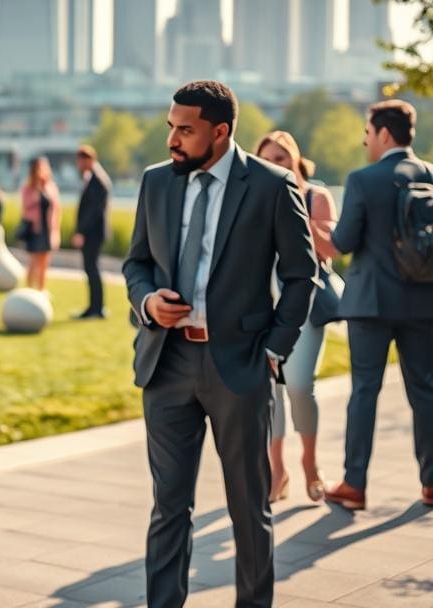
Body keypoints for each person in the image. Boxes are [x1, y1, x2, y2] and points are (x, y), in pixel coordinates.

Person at [123, 80, 316, 608]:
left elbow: (303, 276)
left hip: (240, 363)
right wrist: (148, 303)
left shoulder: (273, 187)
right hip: (166, 363)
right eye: (171, 127)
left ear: (220, 131)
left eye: (185, 130)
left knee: (248, 506)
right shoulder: (156, 182)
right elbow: (136, 262)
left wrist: (274, 349)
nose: (173, 140)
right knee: (169, 506)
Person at [320, 99, 433, 511]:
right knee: (425, 391)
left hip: (371, 303)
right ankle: (432, 483)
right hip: (423, 302)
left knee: (365, 390)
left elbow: (344, 242)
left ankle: (354, 485)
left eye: (367, 133)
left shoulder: (364, 179)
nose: (365, 141)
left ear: (383, 133)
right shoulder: (431, 176)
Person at [255, 131, 337, 504]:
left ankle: (309, 461)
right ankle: (277, 471)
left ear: (295, 162)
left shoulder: (315, 197)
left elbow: (331, 250)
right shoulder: (249, 199)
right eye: (267, 159)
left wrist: (295, 213)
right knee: (267, 391)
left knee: (299, 386)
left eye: (282, 159)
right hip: (259, 306)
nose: (274, 165)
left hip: (303, 306)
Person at [71, 145, 111, 319]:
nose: (78, 164)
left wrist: (81, 232)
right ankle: (94, 307)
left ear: (88, 160)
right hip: (92, 233)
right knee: (91, 269)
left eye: (80, 160)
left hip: (92, 234)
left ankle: (97, 308)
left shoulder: (97, 180)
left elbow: (94, 211)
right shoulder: (94, 177)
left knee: (92, 269)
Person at [20, 156, 61, 291]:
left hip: (47, 229)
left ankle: (41, 289)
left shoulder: (51, 186)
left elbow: (56, 209)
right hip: (34, 229)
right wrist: (37, 189)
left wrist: (56, 230)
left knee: (44, 261)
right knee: (33, 262)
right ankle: (30, 289)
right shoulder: (28, 187)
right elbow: (26, 208)